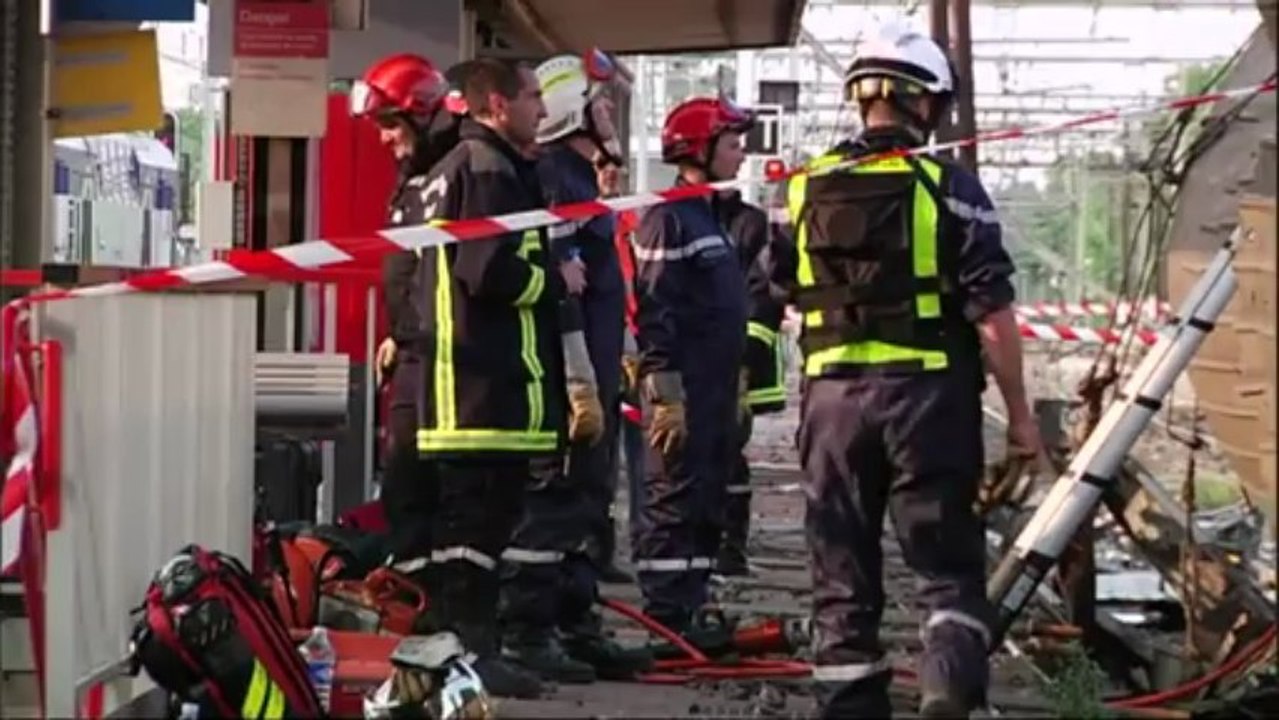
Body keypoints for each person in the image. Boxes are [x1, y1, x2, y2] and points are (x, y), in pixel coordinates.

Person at [772, 22, 1042, 718]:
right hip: (927, 402)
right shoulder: (950, 189)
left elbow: (770, 294)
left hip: (831, 408)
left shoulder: (803, 190)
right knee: (946, 568)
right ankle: (947, 691)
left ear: (861, 99)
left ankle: (849, 705)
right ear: (926, 104)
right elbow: (990, 314)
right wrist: (1020, 419)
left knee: (839, 569)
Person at [391, 56, 563, 699]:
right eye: (533, 98)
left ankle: (450, 658)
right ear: (495, 105)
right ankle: (469, 660)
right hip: (485, 386)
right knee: (475, 535)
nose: (541, 111)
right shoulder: (488, 169)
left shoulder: (444, 172)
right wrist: (555, 281)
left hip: (452, 383)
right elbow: (486, 270)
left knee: (456, 535)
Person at [497, 50, 650, 684]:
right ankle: (529, 631)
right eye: (599, 100)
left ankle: (573, 624)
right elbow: (560, 291)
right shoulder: (559, 180)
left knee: (585, 507)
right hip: (570, 382)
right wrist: (580, 380)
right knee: (554, 506)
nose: (610, 109)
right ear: (570, 112)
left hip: (595, 375)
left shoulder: (581, 181)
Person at [631, 96, 752, 634]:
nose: (741, 154)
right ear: (698, 150)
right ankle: (666, 613)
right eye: (731, 144)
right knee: (673, 497)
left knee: (705, 497)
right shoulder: (668, 219)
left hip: (715, 388)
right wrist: (665, 392)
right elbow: (656, 308)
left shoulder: (709, 217)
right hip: (683, 388)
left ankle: (693, 602)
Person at [348, 52, 466, 583]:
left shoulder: (454, 171)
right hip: (415, 354)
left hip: (448, 366)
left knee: (428, 495)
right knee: (404, 491)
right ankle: (413, 603)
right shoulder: (417, 177)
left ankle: (435, 611)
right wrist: (398, 333)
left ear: (422, 113)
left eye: (390, 124)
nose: (383, 139)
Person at [710, 179, 794, 579]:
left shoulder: (751, 224)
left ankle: (729, 548)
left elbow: (766, 293)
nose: (741, 157)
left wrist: (746, 361)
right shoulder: (676, 216)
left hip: (738, 364)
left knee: (729, 454)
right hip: (693, 362)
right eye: (731, 146)